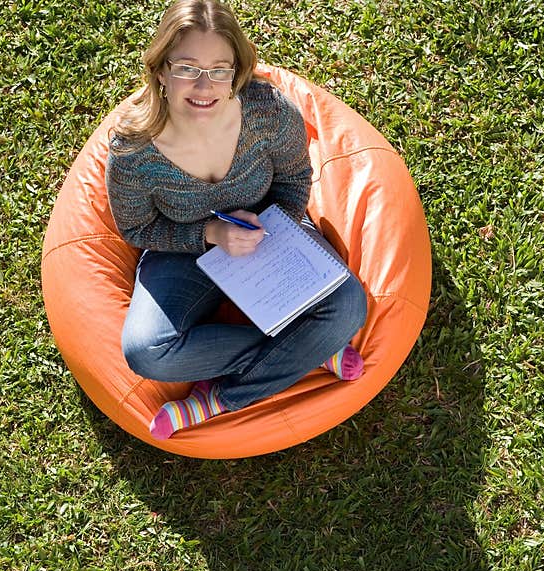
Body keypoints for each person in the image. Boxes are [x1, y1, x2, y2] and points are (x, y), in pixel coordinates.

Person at [105, 0, 367, 439]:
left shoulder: (266, 111)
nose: (204, 85)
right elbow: (136, 228)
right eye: (187, 67)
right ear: (161, 71)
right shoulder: (133, 149)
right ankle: (307, 350)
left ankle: (218, 399)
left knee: (349, 306)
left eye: (219, 69)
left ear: (235, 71)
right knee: (145, 352)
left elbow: (295, 177)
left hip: (269, 231)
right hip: (185, 252)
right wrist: (209, 233)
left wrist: (273, 229)